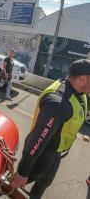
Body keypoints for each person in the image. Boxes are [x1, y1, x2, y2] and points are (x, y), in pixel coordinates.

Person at [10, 59, 90, 199]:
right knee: (20, 180)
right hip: (42, 151)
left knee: (44, 183)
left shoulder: (79, 92)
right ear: (83, 78)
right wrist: (23, 170)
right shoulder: (58, 104)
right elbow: (38, 139)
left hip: (56, 151)